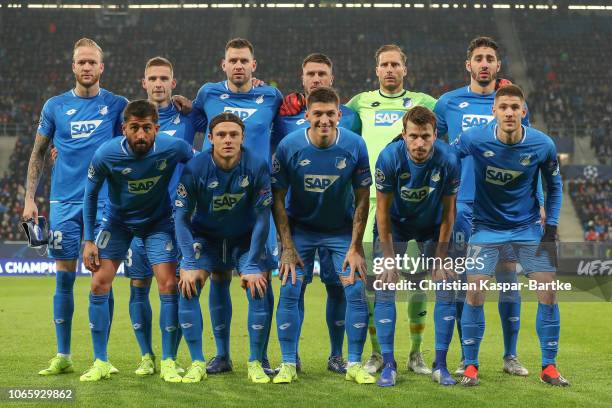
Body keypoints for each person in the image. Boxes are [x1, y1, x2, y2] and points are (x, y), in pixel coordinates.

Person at [22, 38, 127, 376]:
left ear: (101, 67)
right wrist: (28, 199)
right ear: (73, 66)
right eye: (81, 62)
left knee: (102, 278)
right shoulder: (54, 106)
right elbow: (39, 152)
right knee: (63, 279)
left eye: (91, 62)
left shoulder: (116, 105)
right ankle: (63, 354)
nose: (86, 67)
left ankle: (102, 358)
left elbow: (138, 136)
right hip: (63, 203)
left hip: (103, 203)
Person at [434, 36, 538, 376]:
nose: (483, 63)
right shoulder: (448, 103)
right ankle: (465, 360)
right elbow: (438, 151)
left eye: (489, 58)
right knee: (464, 284)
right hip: (463, 206)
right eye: (478, 58)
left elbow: (530, 154)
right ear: (468, 65)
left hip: (506, 210)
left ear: (497, 65)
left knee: (508, 279)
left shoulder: (511, 104)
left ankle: (510, 357)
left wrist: (536, 199)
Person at [452, 85, 567, 387]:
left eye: (515, 107)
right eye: (503, 107)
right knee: (475, 290)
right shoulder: (475, 138)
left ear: (523, 112)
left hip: (527, 228)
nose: (509, 113)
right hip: (486, 228)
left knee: (548, 290)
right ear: (494, 111)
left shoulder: (542, 144)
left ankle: (549, 367)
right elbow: (448, 155)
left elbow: (555, 187)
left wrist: (551, 227)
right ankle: (471, 366)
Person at [80, 100, 193, 382]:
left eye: (146, 128)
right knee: (98, 283)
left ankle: (168, 360)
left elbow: (201, 163)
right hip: (118, 224)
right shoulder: (106, 154)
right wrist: (88, 240)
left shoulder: (172, 147)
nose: (140, 135)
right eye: (134, 128)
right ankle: (101, 361)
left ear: (156, 128)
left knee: (168, 284)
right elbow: (90, 195)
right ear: (124, 129)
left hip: (158, 223)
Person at [191, 38, 282, 374]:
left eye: (245, 60)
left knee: (262, 276)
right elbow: (194, 124)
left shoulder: (271, 96)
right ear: (223, 64)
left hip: (258, 198)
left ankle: (261, 355)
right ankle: (222, 355)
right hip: (215, 201)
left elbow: (286, 129)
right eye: (233, 60)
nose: (239, 65)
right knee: (218, 276)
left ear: (254, 65)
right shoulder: (208, 94)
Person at [271, 87, 373, 384]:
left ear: (339, 115)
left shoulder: (355, 145)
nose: (324, 119)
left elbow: (363, 198)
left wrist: (355, 246)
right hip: (301, 230)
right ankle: (288, 363)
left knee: (354, 289)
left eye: (330, 114)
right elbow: (277, 197)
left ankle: (353, 363)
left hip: (340, 231)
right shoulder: (289, 146)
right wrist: (286, 246)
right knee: (290, 288)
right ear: (307, 116)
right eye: (318, 114)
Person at [347, 44, 437, 375]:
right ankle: (377, 353)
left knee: (416, 282)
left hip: (414, 205)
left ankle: (416, 354)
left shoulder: (424, 102)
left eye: (395, 64)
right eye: (383, 64)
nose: (389, 69)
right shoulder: (359, 103)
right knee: (375, 284)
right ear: (376, 70)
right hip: (371, 203)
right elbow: (329, 122)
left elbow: (449, 121)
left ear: (404, 69)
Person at [174, 112, 275, 384]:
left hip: (244, 237)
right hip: (207, 238)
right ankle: (200, 361)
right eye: (221, 135)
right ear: (210, 139)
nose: (227, 139)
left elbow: (263, 217)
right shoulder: (195, 168)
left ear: (242, 138)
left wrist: (253, 262)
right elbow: (181, 218)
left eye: (233, 135)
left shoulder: (256, 166)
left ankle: (255, 361)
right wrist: (188, 261)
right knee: (188, 285)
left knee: (258, 285)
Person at [125, 57, 205, 376]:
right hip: (136, 217)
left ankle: (171, 357)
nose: (158, 83)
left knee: (170, 286)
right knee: (137, 284)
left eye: (164, 78)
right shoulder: (131, 119)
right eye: (152, 78)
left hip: (175, 218)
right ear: (143, 83)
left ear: (173, 83)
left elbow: (229, 119)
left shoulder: (188, 116)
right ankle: (147, 356)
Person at [373, 106, 459, 386]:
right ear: (403, 135)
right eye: (413, 137)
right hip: (395, 223)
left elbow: (449, 213)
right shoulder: (388, 158)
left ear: (436, 135)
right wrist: (388, 258)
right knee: (385, 285)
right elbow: (382, 212)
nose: (419, 143)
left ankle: (441, 365)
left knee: (446, 284)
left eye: (425, 136)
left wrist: (441, 257)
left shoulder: (448, 160)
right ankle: (388, 364)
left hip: (432, 225)